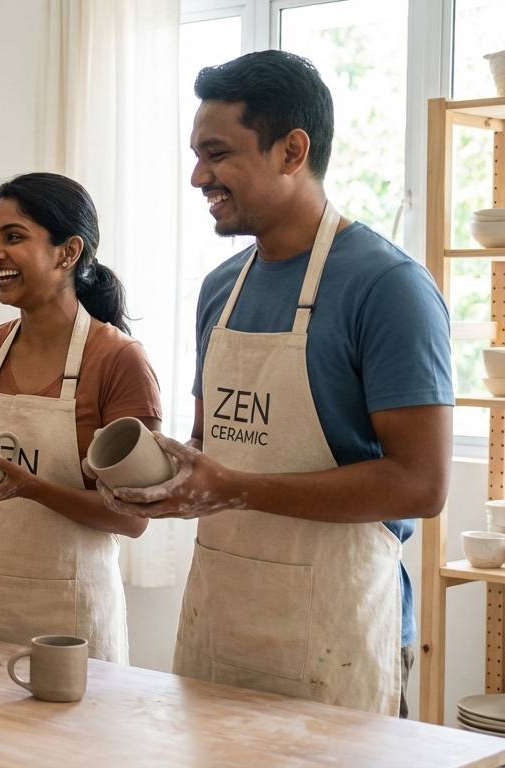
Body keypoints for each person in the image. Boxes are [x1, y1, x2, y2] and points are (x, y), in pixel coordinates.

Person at [100, 51, 452, 716]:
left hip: (338, 635)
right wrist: (163, 479)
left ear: (292, 150)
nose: (198, 176)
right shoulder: (219, 291)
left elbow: (421, 484)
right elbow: (214, 444)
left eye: (218, 154)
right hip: (219, 621)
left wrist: (234, 489)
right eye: (196, 154)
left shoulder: (388, 289)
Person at [0, 173, 159, 662]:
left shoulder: (118, 360)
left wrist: (30, 488)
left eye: (13, 237)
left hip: (69, 627)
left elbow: (133, 519)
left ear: (68, 251)